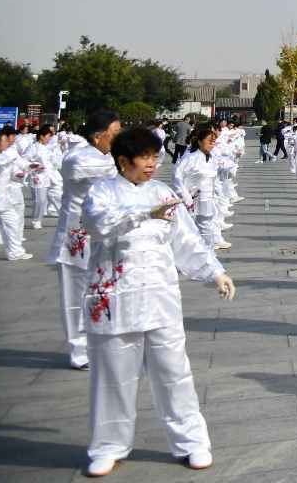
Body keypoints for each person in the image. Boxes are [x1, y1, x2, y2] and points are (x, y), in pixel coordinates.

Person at [79, 125, 236, 478]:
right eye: (144, 157)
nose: (151, 164)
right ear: (124, 161)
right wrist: (142, 215)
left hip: (160, 296)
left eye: (154, 156)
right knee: (113, 377)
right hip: (116, 297)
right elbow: (99, 226)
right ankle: (108, 445)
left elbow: (187, 240)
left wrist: (215, 272)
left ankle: (191, 441)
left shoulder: (163, 193)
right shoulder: (102, 192)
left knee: (174, 372)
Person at [49, 109, 121, 370]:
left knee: (104, 290)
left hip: (104, 234)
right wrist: (123, 164)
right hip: (76, 237)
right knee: (75, 295)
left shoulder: (109, 158)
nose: (119, 138)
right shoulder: (77, 156)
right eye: (115, 134)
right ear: (98, 136)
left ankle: (101, 343)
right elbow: (90, 170)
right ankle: (79, 351)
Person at [0, 126, 33, 260]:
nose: (7, 143)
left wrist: (28, 168)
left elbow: (11, 173)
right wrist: (13, 158)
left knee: (13, 223)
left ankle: (15, 252)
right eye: (4, 141)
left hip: (3, 198)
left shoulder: (6, 155)